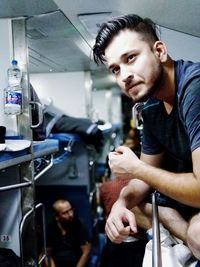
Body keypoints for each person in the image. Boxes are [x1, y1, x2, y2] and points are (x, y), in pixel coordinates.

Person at [92, 14, 200, 260]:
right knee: (131, 203)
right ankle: (188, 240)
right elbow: (143, 180)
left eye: (131, 58)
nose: (124, 76)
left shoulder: (194, 87)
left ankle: (190, 240)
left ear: (159, 51)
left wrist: (135, 168)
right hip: (190, 199)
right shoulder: (151, 107)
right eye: (116, 69)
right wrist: (119, 205)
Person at [45, 199, 91, 267]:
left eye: (71, 210)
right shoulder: (51, 228)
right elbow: (47, 254)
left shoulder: (79, 225)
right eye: (65, 213)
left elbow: (86, 252)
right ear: (57, 217)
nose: (70, 214)